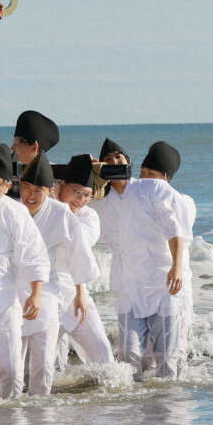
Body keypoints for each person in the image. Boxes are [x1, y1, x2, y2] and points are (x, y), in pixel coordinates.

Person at [0, 143, 50, 398]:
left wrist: (35, 294)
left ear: (7, 185)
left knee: (12, 371)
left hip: (3, 301)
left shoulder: (14, 212)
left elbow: (34, 255)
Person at [19, 151, 98, 395]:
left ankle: (42, 413)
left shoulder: (60, 213)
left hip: (49, 291)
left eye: (39, 189)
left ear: (49, 189)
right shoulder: (11, 208)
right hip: (11, 291)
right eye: (27, 188)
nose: (32, 195)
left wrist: (81, 292)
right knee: (12, 363)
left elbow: (78, 254)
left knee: (44, 361)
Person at [119, 141, 194, 380]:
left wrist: (176, 268)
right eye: (142, 173)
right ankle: (141, 403)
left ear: (167, 179)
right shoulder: (134, 196)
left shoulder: (181, 201)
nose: (144, 179)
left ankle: (169, 404)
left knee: (170, 355)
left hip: (170, 283)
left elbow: (175, 232)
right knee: (136, 353)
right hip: (138, 283)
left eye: (151, 175)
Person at [54, 154, 114, 367]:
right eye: (75, 191)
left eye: (87, 195)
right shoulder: (43, 207)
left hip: (75, 293)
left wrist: (58, 205)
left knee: (102, 352)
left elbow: (77, 241)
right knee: (45, 362)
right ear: (61, 185)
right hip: (45, 294)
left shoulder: (89, 216)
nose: (79, 199)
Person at [89, 138, 136, 362]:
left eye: (118, 157)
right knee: (128, 347)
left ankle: (160, 393)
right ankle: (136, 389)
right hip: (123, 274)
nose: (114, 161)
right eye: (107, 160)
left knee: (157, 344)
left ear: (128, 161)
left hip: (153, 272)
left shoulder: (143, 189)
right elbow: (71, 194)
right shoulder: (98, 200)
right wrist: (87, 166)